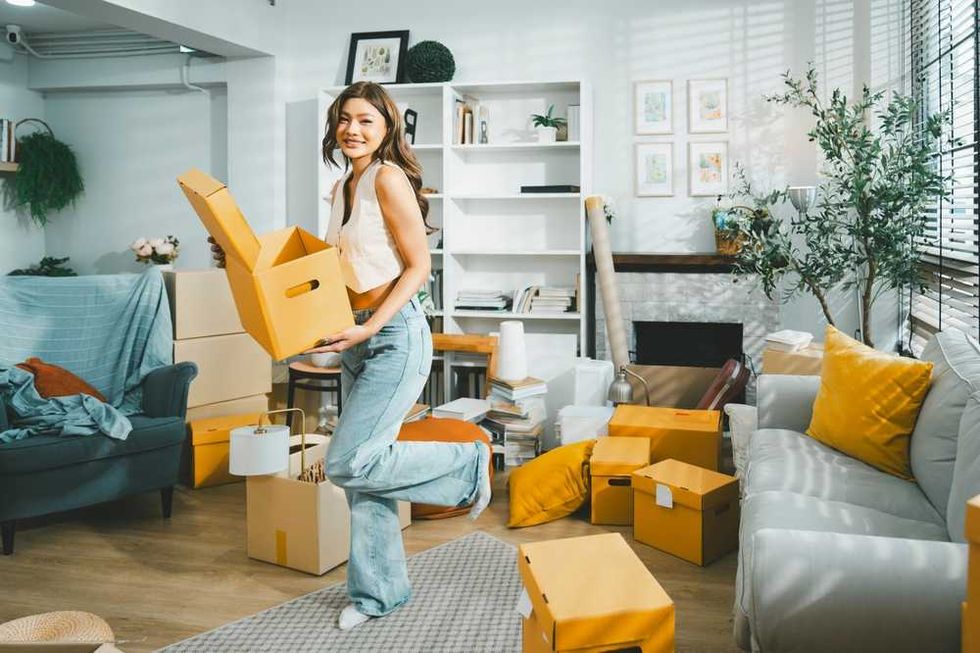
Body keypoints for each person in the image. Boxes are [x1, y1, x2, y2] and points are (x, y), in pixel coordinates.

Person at [208, 81, 491, 631]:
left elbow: (418, 267)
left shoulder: (388, 179)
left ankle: (467, 463)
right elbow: (331, 273)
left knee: (344, 462)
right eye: (344, 119)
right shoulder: (342, 186)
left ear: (387, 127)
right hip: (355, 333)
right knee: (366, 473)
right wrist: (238, 261)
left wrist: (372, 328)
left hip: (396, 334)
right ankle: (378, 595)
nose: (352, 129)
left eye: (365, 119)